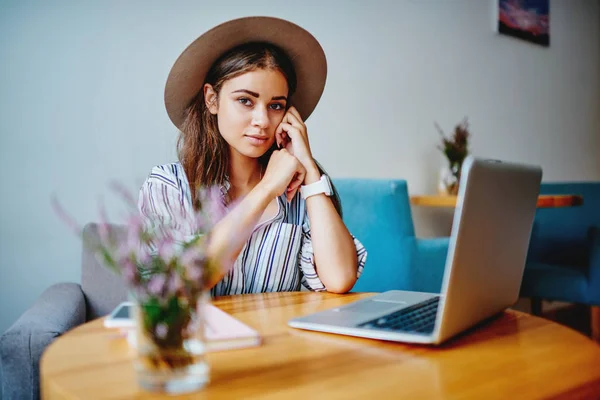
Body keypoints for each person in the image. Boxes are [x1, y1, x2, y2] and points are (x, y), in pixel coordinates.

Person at [138, 16, 367, 297]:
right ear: (212, 99)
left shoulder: (301, 190)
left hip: (280, 340)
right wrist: (267, 189)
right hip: (202, 341)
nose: (262, 120)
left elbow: (340, 277)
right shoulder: (169, 185)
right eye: (245, 101)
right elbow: (182, 283)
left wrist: (308, 166)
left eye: (275, 105)